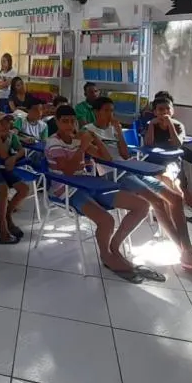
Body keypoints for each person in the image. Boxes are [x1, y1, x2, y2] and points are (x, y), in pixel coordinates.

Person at [84, 97, 192, 276]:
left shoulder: (113, 129)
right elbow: (107, 159)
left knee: (175, 198)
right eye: (106, 111)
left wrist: (118, 132)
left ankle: (187, 249)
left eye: (112, 111)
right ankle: (184, 252)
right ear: (97, 112)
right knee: (157, 202)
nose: (110, 115)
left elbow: (123, 153)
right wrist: (102, 140)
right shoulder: (88, 131)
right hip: (114, 174)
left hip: (130, 169)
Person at [46, 105, 150, 282]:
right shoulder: (53, 142)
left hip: (89, 184)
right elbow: (69, 171)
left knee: (142, 205)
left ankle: (114, 246)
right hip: (66, 188)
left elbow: (107, 158)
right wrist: (82, 148)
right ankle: (106, 256)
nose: (69, 125)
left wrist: (94, 138)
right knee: (107, 220)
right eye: (64, 121)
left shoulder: (78, 139)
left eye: (72, 121)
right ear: (57, 122)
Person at [144, 96, 192, 210]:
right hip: (157, 156)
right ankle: (183, 194)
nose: (165, 112)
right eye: (161, 109)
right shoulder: (151, 124)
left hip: (175, 152)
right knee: (172, 167)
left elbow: (177, 144)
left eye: (168, 109)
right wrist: (151, 125)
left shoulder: (178, 125)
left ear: (172, 110)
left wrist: (170, 124)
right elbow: (148, 144)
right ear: (155, 112)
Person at [0, 112, 31, 244]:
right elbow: (3, 156)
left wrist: (14, 158)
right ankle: (3, 225)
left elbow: (22, 150)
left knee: (24, 189)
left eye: (8, 122)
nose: (6, 125)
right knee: (3, 189)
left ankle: (7, 215)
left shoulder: (11, 135)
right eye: (1, 122)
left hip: (5, 169)